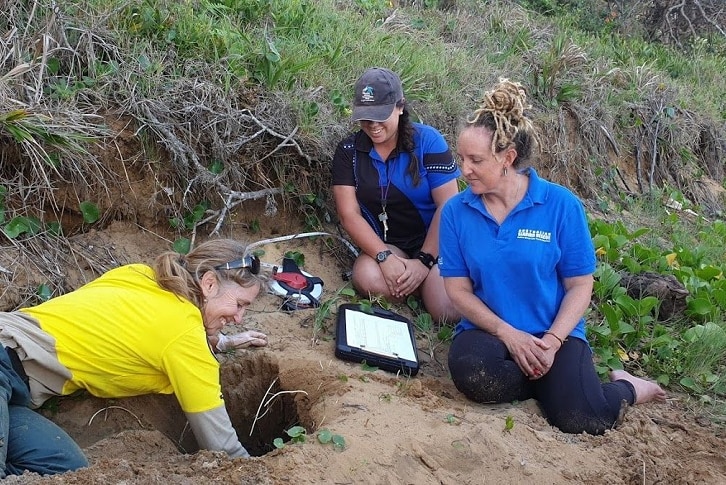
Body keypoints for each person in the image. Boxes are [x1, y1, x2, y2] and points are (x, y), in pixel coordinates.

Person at [439, 79, 666, 435]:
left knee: (586, 419)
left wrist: (552, 342)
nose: (463, 169)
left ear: (507, 158)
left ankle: (626, 386)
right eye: (461, 158)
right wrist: (509, 334)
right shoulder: (456, 211)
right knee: (474, 373)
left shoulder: (561, 205)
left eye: (475, 160)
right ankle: (553, 387)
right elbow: (457, 290)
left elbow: (579, 285)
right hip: (491, 333)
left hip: (553, 335)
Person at [0, 238, 268, 476]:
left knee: (65, 470)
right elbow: (223, 449)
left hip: (15, 390)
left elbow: (127, 327)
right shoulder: (183, 334)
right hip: (4, 361)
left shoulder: (140, 274)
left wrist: (219, 342)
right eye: (240, 304)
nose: (239, 318)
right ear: (209, 283)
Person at [332, 67, 461, 323]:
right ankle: (415, 286)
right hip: (392, 246)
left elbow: (449, 206)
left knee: (446, 311)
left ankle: (425, 285)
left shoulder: (429, 141)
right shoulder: (349, 150)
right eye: (366, 117)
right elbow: (349, 214)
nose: (373, 125)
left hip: (438, 244)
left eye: (381, 116)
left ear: (400, 107)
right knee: (366, 277)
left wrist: (424, 262)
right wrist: (384, 256)